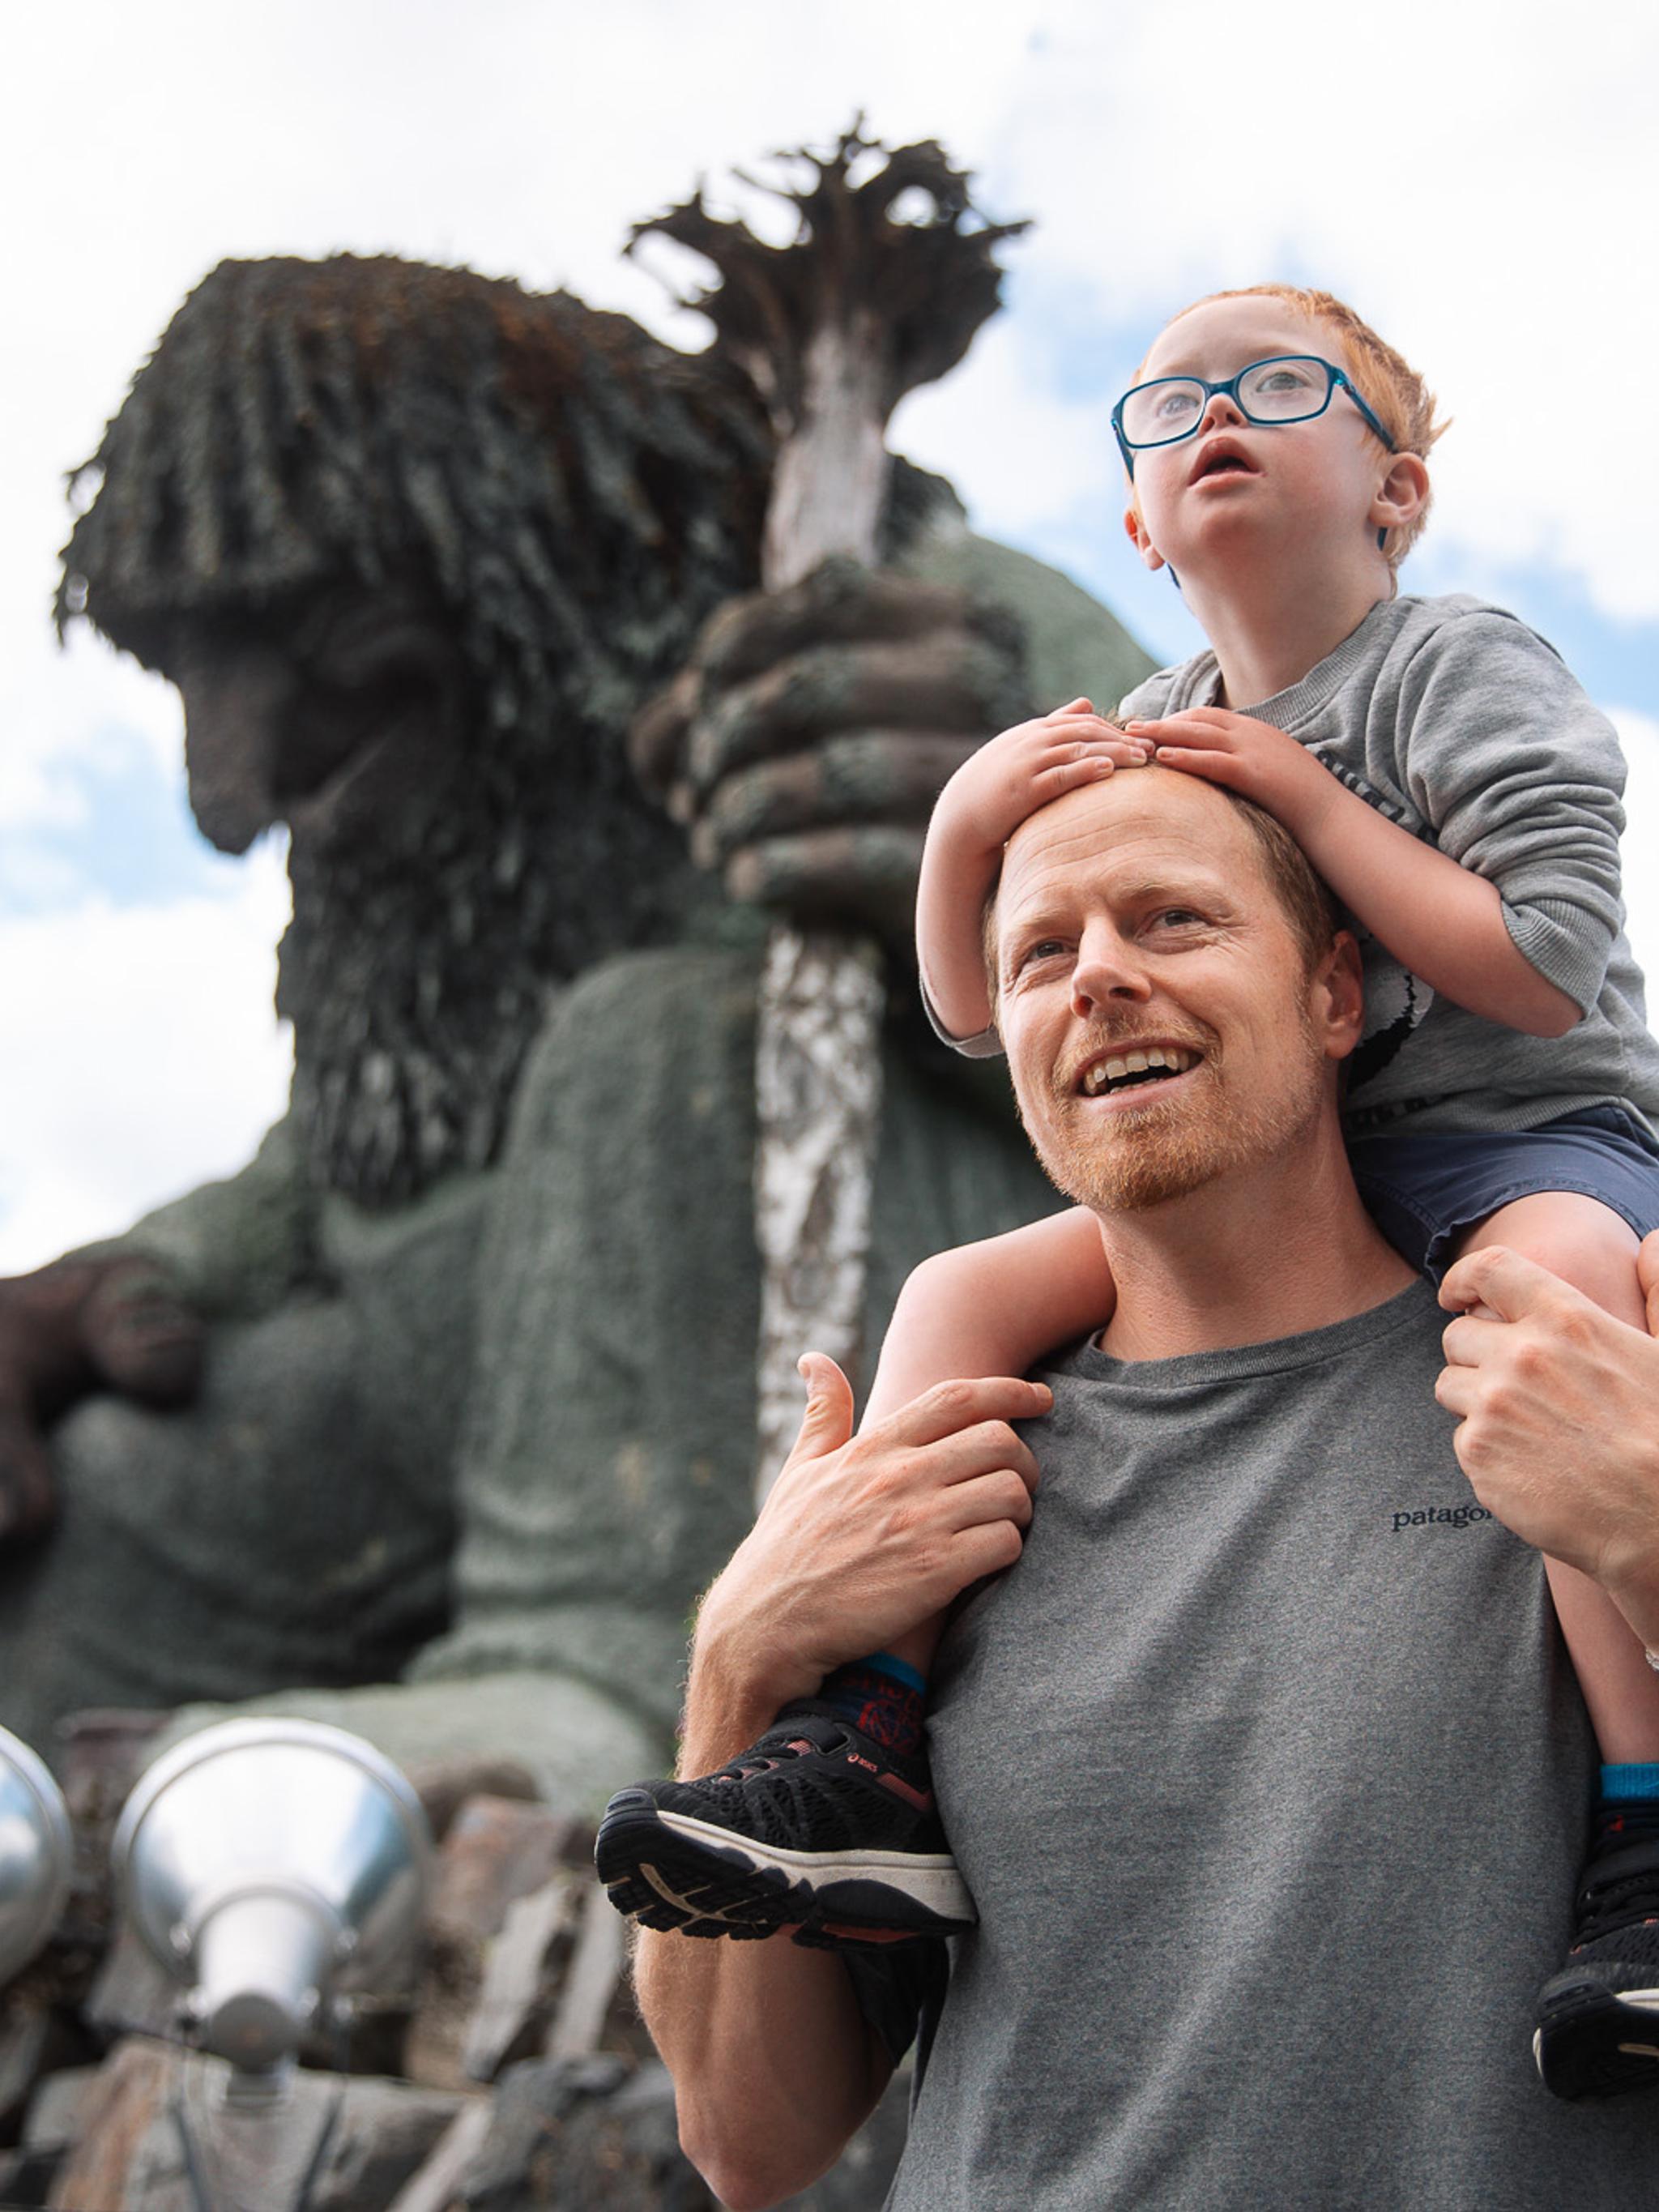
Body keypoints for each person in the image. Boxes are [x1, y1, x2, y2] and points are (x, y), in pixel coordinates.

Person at [599, 282, 1659, 2093]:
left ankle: (1637, 1825)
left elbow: (1546, 959)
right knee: (950, 1296)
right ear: (1135, 522)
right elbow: (965, 999)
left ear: (1391, 492)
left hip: (1521, 1131)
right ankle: (867, 1741)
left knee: (1551, 1309)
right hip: (1336, 1154)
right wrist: (960, 828)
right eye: (1166, 410)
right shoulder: (1160, 723)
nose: (1214, 414)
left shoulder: (1449, 666)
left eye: (1275, 386)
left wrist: (1311, 815)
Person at [623, 763, 1659, 2208]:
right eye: (1042, 950)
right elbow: (752, 2137)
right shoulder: (935, 1479)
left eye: (1173, 920)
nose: (1100, 975)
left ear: (1336, 997)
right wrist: (741, 1653)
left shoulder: (1592, 1375)